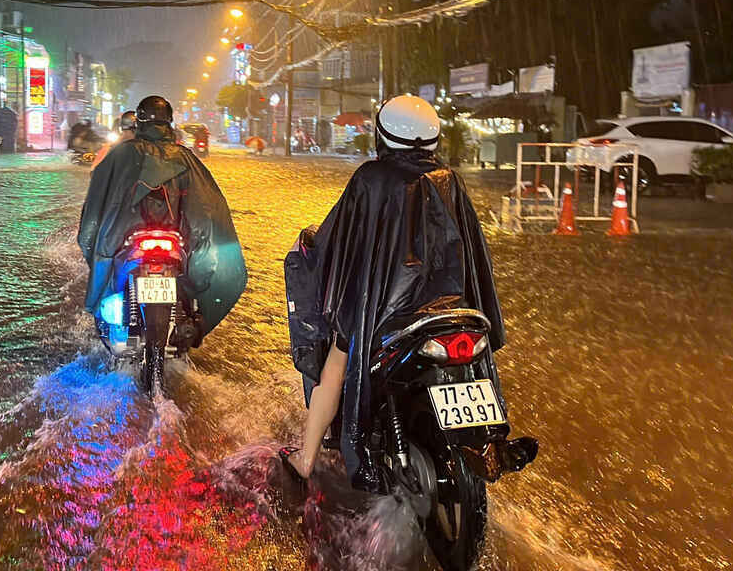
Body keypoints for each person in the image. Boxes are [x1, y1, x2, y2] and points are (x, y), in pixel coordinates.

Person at [279, 95, 505, 488]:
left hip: (384, 313)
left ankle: (305, 457)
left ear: (384, 135)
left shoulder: (371, 178)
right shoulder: (450, 178)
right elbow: (469, 252)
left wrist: (312, 246)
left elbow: (338, 240)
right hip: (447, 311)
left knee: (335, 366)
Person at [78, 96, 246, 351]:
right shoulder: (186, 157)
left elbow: (95, 205)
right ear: (169, 122)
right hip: (173, 243)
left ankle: (117, 324)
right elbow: (209, 208)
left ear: (139, 121)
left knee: (106, 268)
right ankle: (191, 319)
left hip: (126, 240)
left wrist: (93, 241)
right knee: (195, 275)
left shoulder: (120, 154)